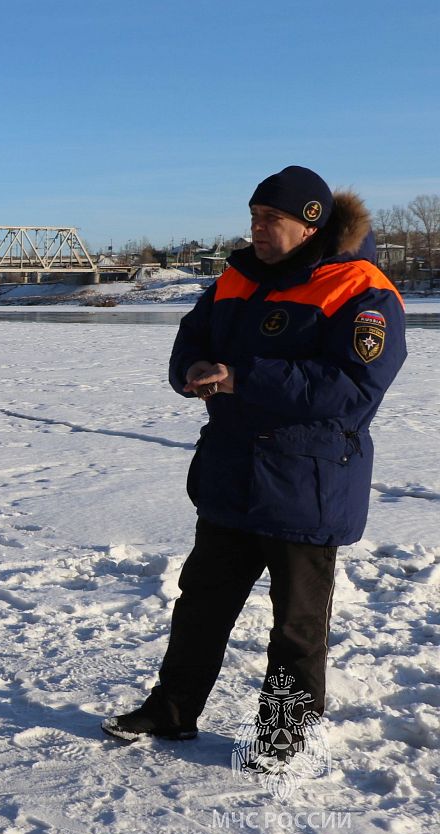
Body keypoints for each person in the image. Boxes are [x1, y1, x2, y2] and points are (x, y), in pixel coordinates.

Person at [102, 166, 407, 765]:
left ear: (310, 223)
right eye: (253, 217)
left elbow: (354, 386)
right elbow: (191, 338)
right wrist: (190, 370)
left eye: (271, 219)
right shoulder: (236, 279)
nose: (256, 229)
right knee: (201, 603)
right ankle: (173, 709)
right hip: (232, 474)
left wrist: (244, 377)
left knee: (296, 624)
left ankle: (284, 741)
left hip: (306, 482)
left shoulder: (361, 288)